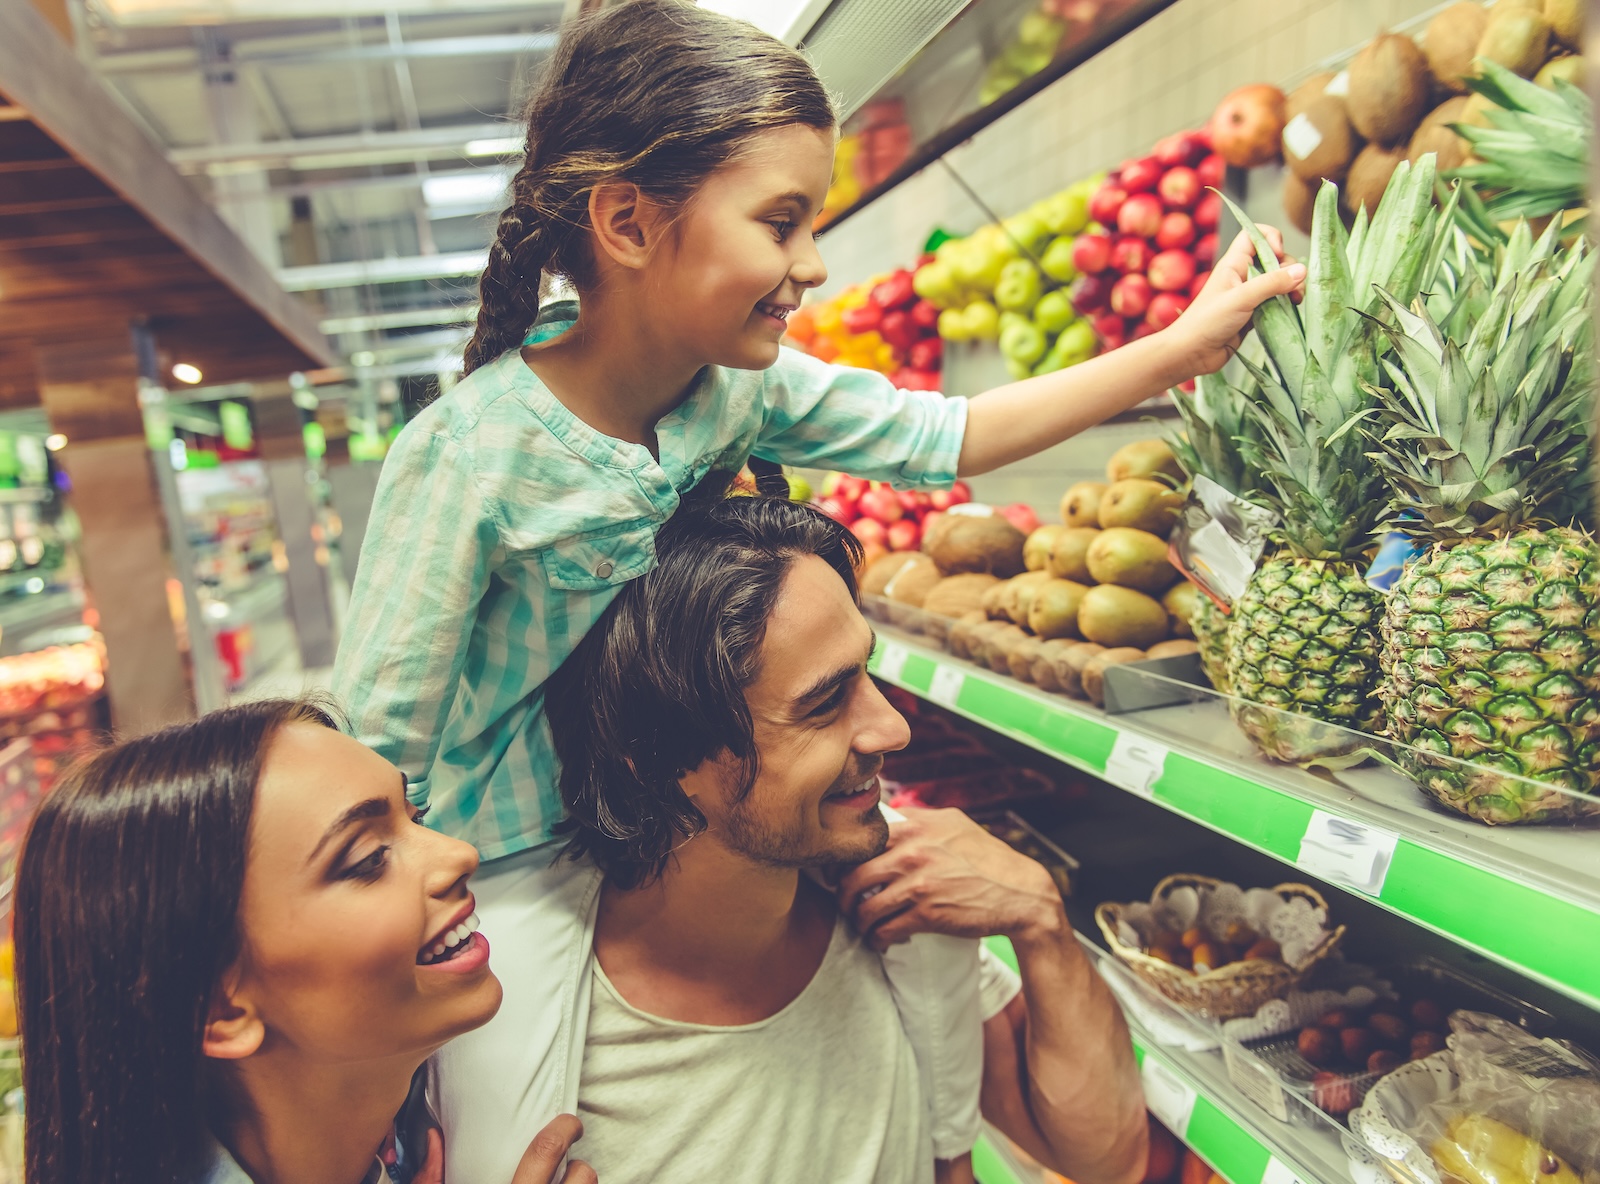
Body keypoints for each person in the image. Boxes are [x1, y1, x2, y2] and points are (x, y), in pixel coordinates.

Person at [331, 0, 1304, 867]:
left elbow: (950, 434)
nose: (812, 264)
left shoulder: (732, 393)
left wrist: (1180, 347)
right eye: (780, 221)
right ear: (627, 222)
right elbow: (377, 746)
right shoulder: (466, 456)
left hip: (671, 839)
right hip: (516, 864)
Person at [432, 488, 1147, 1184]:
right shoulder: (516, 1033)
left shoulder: (898, 907)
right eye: (824, 703)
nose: (891, 727)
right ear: (658, 756)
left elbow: (1104, 1160)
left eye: (866, 672)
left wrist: (1041, 916)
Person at [13, 700, 597, 1184]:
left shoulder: (407, 1138)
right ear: (220, 1008)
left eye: (415, 817)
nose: (458, 854)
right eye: (369, 860)